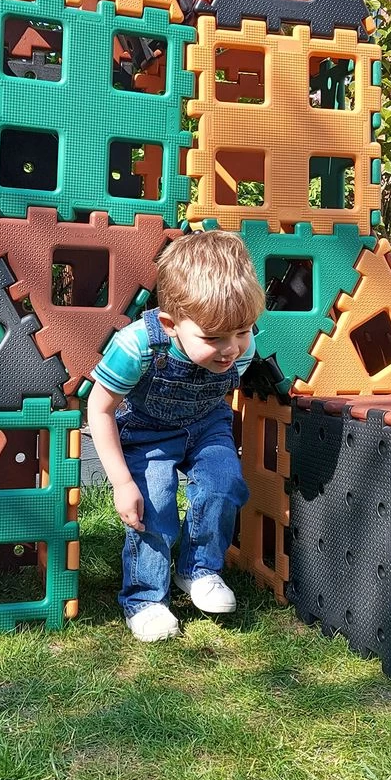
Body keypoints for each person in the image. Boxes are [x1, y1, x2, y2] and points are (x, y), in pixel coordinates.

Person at [87, 230, 265, 642]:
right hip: (146, 430)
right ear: (171, 325)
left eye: (242, 331)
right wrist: (122, 483)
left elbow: (221, 392)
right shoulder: (136, 346)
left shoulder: (242, 347)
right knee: (155, 502)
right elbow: (99, 410)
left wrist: (231, 342)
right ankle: (145, 599)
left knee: (224, 483)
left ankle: (199, 570)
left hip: (206, 424)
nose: (231, 349)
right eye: (213, 338)